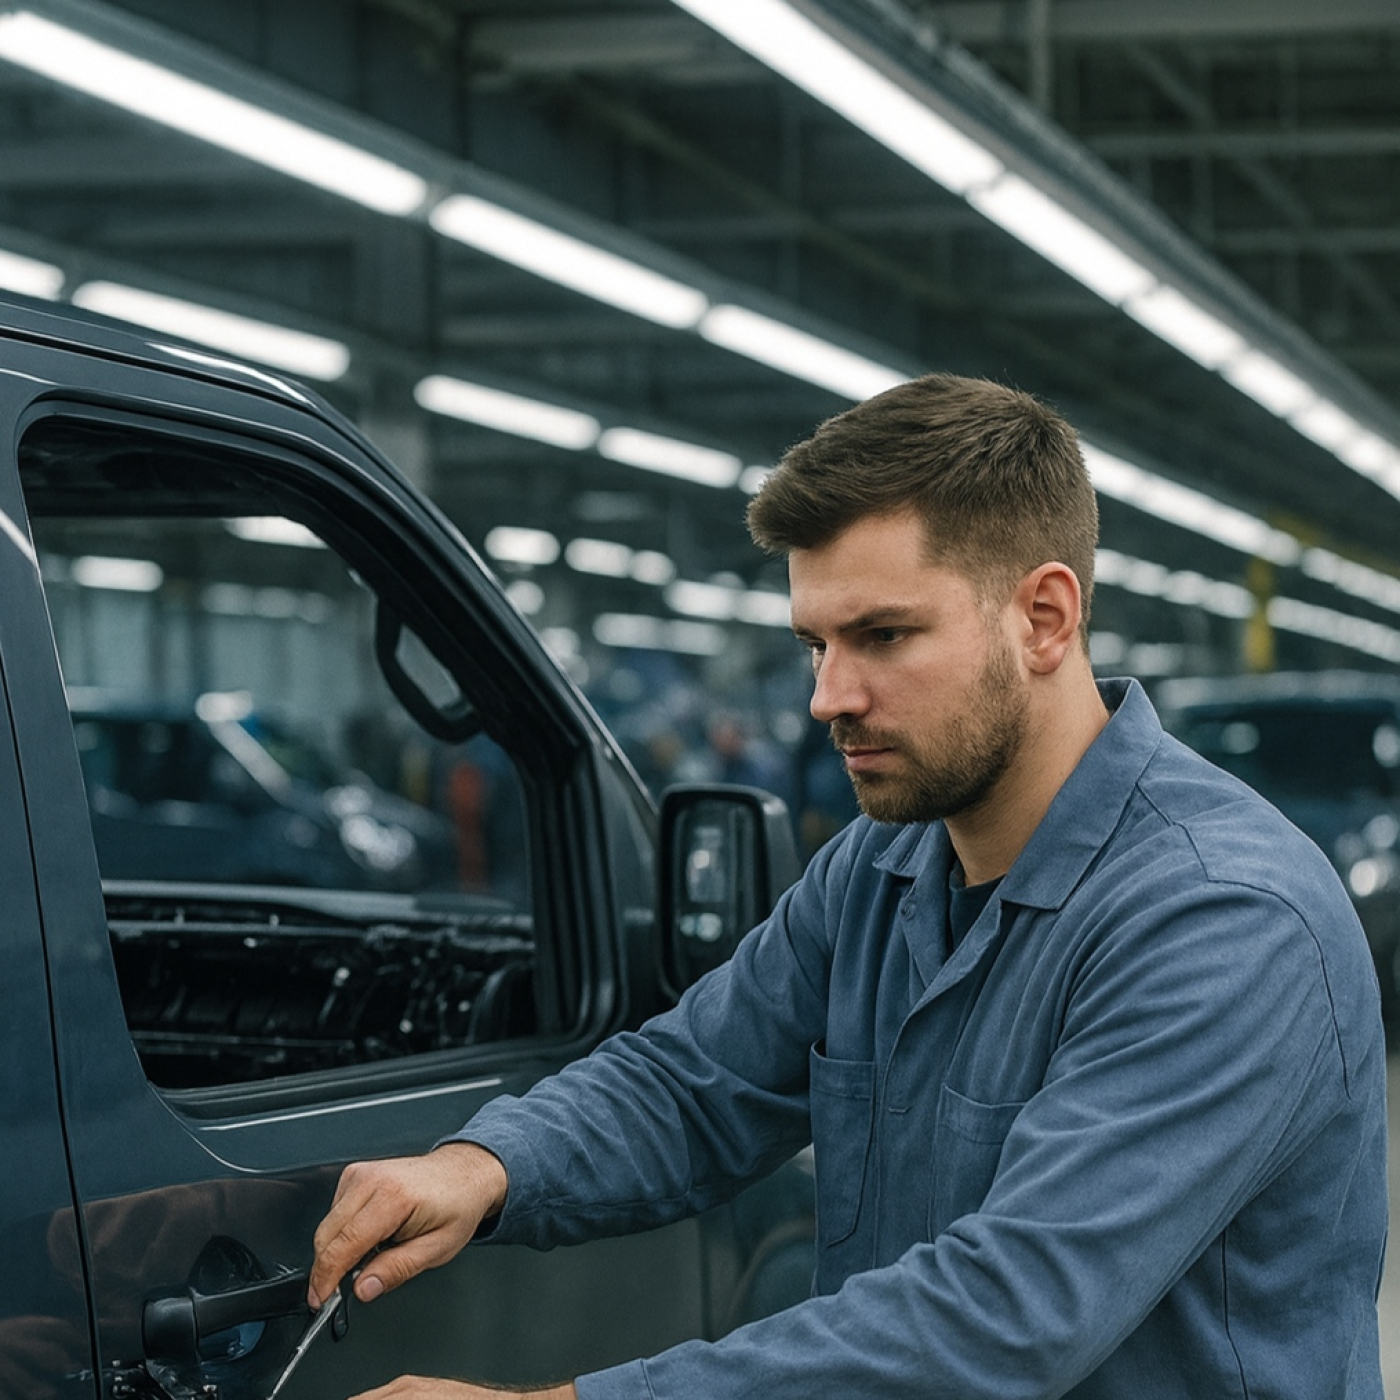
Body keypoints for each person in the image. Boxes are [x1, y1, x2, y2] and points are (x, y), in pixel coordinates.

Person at [308, 374, 1389, 1399]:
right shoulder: (883, 865)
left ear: (1043, 618)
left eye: (881, 634)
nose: (828, 694)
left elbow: (1002, 1315)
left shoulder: (1224, 921)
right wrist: (483, 1164)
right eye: (815, 641)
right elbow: (693, 1081)